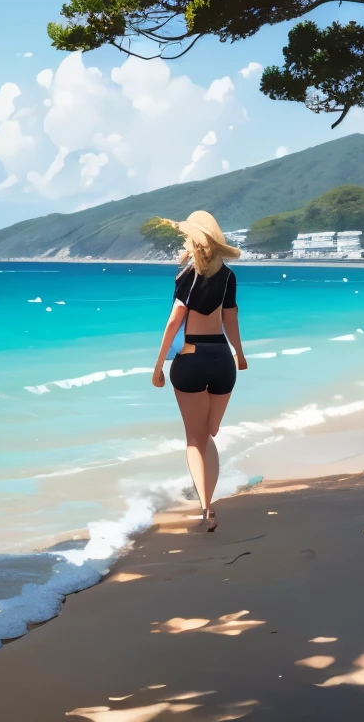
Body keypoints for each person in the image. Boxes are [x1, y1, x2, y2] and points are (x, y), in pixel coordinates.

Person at [149, 211, 248, 532]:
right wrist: (239, 353)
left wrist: (158, 364)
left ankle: (207, 508)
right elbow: (230, 318)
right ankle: (208, 500)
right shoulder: (228, 277)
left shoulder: (186, 276)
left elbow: (175, 320)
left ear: (193, 240)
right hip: (221, 360)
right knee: (210, 432)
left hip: (190, 360)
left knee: (195, 439)